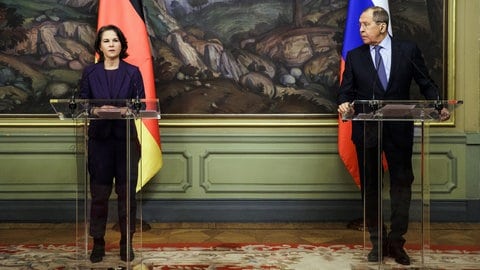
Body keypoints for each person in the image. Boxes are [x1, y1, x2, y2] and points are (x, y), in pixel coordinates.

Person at [337, 6, 450, 265]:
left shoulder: (407, 51)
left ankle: (397, 243)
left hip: (399, 131)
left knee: (401, 185)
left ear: (383, 26)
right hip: (367, 131)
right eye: (360, 25)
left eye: (365, 24)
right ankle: (378, 242)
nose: (361, 29)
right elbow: (346, 91)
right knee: (371, 187)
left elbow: (426, 82)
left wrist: (437, 104)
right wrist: (344, 103)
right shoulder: (354, 56)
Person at [79, 24, 145, 263]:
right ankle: (98, 243)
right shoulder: (90, 72)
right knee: (99, 196)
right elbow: (82, 103)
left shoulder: (133, 72)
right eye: (106, 41)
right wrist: (96, 109)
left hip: (125, 141)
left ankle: (126, 243)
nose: (111, 44)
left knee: (126, 196)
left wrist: (127, 109)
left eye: (115, 40)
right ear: (100, 46)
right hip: (100, 142)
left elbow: (141, 105)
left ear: (122, 44)